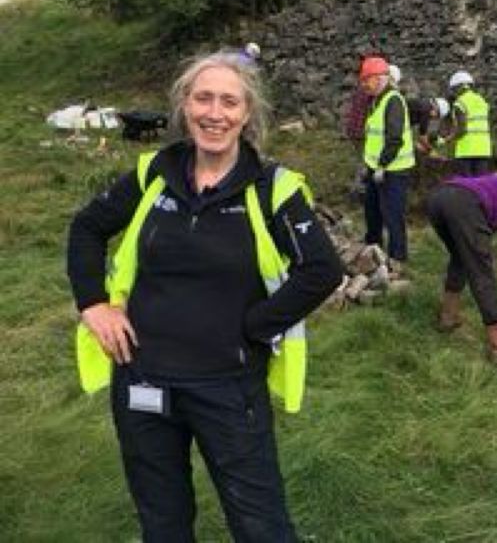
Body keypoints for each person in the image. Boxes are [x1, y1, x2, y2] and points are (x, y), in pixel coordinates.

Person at [67, 50, 343, 542]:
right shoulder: (155, 172)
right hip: (142, 379)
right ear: (184, 105)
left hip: (228, 386)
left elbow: (321, 270)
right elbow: (87, 227)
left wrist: (252, 329)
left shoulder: (270, 188)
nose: (215, 113)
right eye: (203, 98)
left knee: (260, 523)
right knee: (162, 518)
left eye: (229, 102)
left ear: (247, 114)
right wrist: (93, 304)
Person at [426, 172, 497, 361]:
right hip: (463, 205)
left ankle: (448, 317)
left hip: (437, 199)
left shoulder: (491, 182)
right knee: (480, 269)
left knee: (460, 256)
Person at [359, 55, 414, 281]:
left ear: (380, 78)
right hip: (376, 168)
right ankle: (373, 251)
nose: (364, 85)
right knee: (372, 211)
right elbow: (374, 137)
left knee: (393, 215)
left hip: (394, 170)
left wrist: (382, 165)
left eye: (367, 80)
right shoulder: (377, 101)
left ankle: (397, 259)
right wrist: (369, 165)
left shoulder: (393, 100)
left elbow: (394, 138)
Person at [444, 70, 491, 176]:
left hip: (466, 151)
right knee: (480, 185)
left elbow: (462, 129)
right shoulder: (481, 101)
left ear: (458, 87)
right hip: (483, 149)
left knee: (466, 186)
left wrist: (448, 139)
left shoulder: (460, 103)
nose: (454, 92)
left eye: (454, 89)